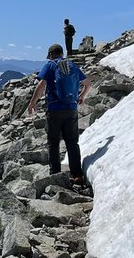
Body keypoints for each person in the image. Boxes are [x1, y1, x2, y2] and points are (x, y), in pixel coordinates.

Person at [27, 43, 89, 184]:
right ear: (62, 53)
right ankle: (77, 174)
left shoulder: (50, 65)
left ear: (50, 54)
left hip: (55, 109)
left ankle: (55, 173)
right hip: (71, 109)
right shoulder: (71, 65)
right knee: (72, 143)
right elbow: (88, 84)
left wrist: (32, 102)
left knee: (53, 143)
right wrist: (82, 96)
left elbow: (41, 84)